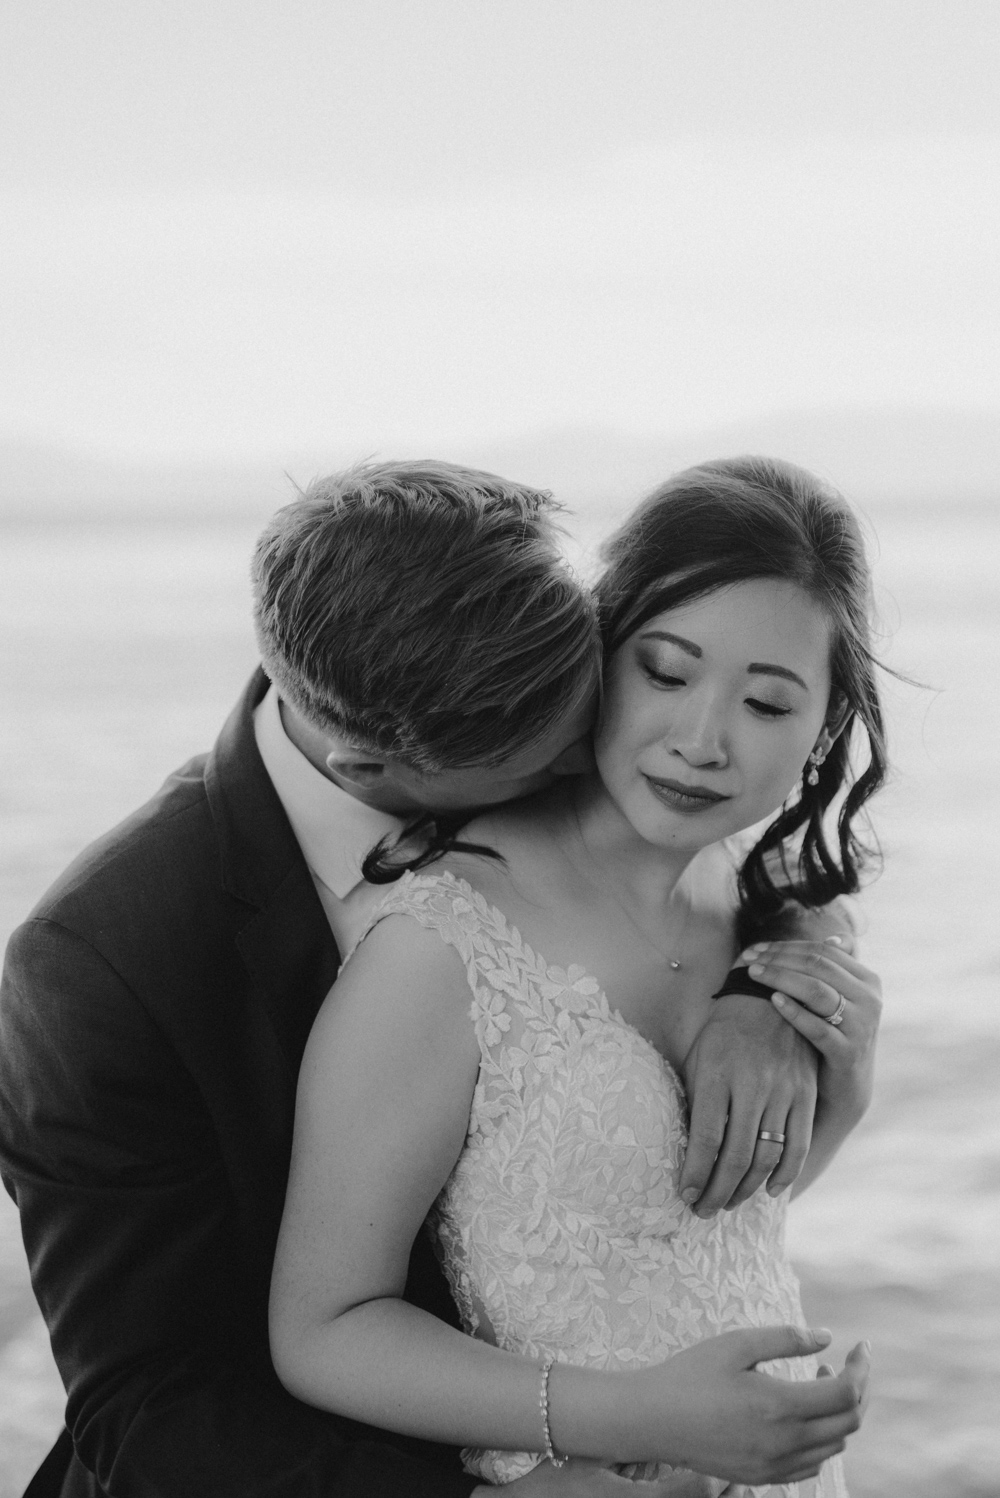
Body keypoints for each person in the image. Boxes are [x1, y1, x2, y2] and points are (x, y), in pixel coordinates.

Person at [1, 460, 845, 1498]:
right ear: (375, 770)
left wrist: (772, 990)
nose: (613, 755)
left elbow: (722, 841)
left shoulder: (490, 646)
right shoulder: (104, 963)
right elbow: (149, 1404)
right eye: (547, 759)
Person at [268, 457, 885, 1493]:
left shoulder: (760, 912)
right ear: (601, 652)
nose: (700, 741)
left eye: (767, 703)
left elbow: (697, 1228)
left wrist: (845, 1090)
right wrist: (630, 1419)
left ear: (823, 727)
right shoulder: (443, 942)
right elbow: (322, 1328)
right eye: (666, 670)